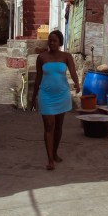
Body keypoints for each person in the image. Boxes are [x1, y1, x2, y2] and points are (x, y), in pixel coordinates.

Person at [30, 29, 80, 171]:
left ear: (60, 43)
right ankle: (50, 159)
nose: (51, 43)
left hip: (62, 95)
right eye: (50, 40)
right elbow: (38, 77)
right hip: (46, 95)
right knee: (49, 126)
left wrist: (77, 84)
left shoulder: (66, 56)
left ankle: (55, 152)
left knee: (58, 127)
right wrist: (34, 97)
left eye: (54, 41)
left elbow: (73, 72)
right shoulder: (42, 57)